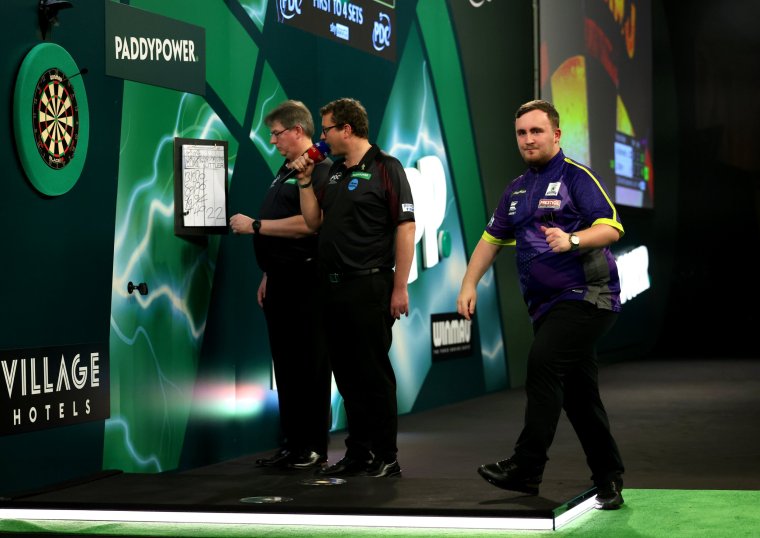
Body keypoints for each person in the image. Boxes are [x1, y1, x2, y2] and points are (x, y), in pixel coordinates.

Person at [456, 99, 625, 510]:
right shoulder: (515, 189)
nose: (528, 139)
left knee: (543, 363)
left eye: (536, 131)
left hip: (588, 296)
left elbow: (611, 227)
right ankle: (609, 478)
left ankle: (527, 467)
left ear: (556, 134)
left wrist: (573, 239)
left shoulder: (576, 177)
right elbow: (490, 240)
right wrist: (468, 282)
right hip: (546, 306)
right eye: (521, 133)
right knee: (579, 394)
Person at [290, 97, 416, 478]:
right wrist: (305, 180)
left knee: (372, 374)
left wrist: (399, 287)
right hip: (332, 288)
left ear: (347, 129)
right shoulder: (332, 173)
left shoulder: (386, 168)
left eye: (326, 128)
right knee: (345, 375)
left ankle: (386, 455)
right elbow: (314, 222)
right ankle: (359, 452)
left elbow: (406, 228)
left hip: (370, 284)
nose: (322, 137)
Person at [229, 100, 333, 470]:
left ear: (298, 131)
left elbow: (310, 225)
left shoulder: (318, 172)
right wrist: (268, 273)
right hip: (281, 280)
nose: (272, 141)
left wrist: (256, 226)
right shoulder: (287, 169)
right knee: (286, 367)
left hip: (307, 281)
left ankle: (313, 448)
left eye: (276, 134)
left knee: (309, 366)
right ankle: (293, 445)